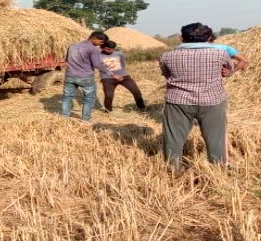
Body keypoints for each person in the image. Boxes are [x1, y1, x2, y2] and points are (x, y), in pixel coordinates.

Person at [158, 23, 233, 171]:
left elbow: (166, 75)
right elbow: (227, 71)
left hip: (178, 101)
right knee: (215, 139)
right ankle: (218, 170)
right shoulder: (220, 54)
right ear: (209, 38)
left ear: (181, 38)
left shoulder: (166, 57)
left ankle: (173, 170)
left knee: (173, 138)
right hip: (212, 100)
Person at [61, 31, 111, 122]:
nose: (100, 45)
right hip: (85, 77)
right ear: (94, 38)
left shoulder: (72, 46)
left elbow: (66, 61)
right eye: (101, 42)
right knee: (89, 98)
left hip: (70, 76)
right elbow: (97, 64)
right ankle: (85, 120)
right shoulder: (93, 49)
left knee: (67, 97)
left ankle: (64, 118)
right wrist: (108, 71)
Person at [99, 40, 146, 112]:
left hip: (123, 76)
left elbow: (123, 64)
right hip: (107, 78)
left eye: (112, 49)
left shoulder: (119, 54)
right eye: (108, 49)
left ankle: (142, 107)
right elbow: (101, 68)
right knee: (109, 95)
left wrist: (123, 74)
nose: (110, 51)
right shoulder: (98, 56)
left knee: (136, 91)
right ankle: (108, 111)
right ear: (102, 48)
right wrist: (113, 75)